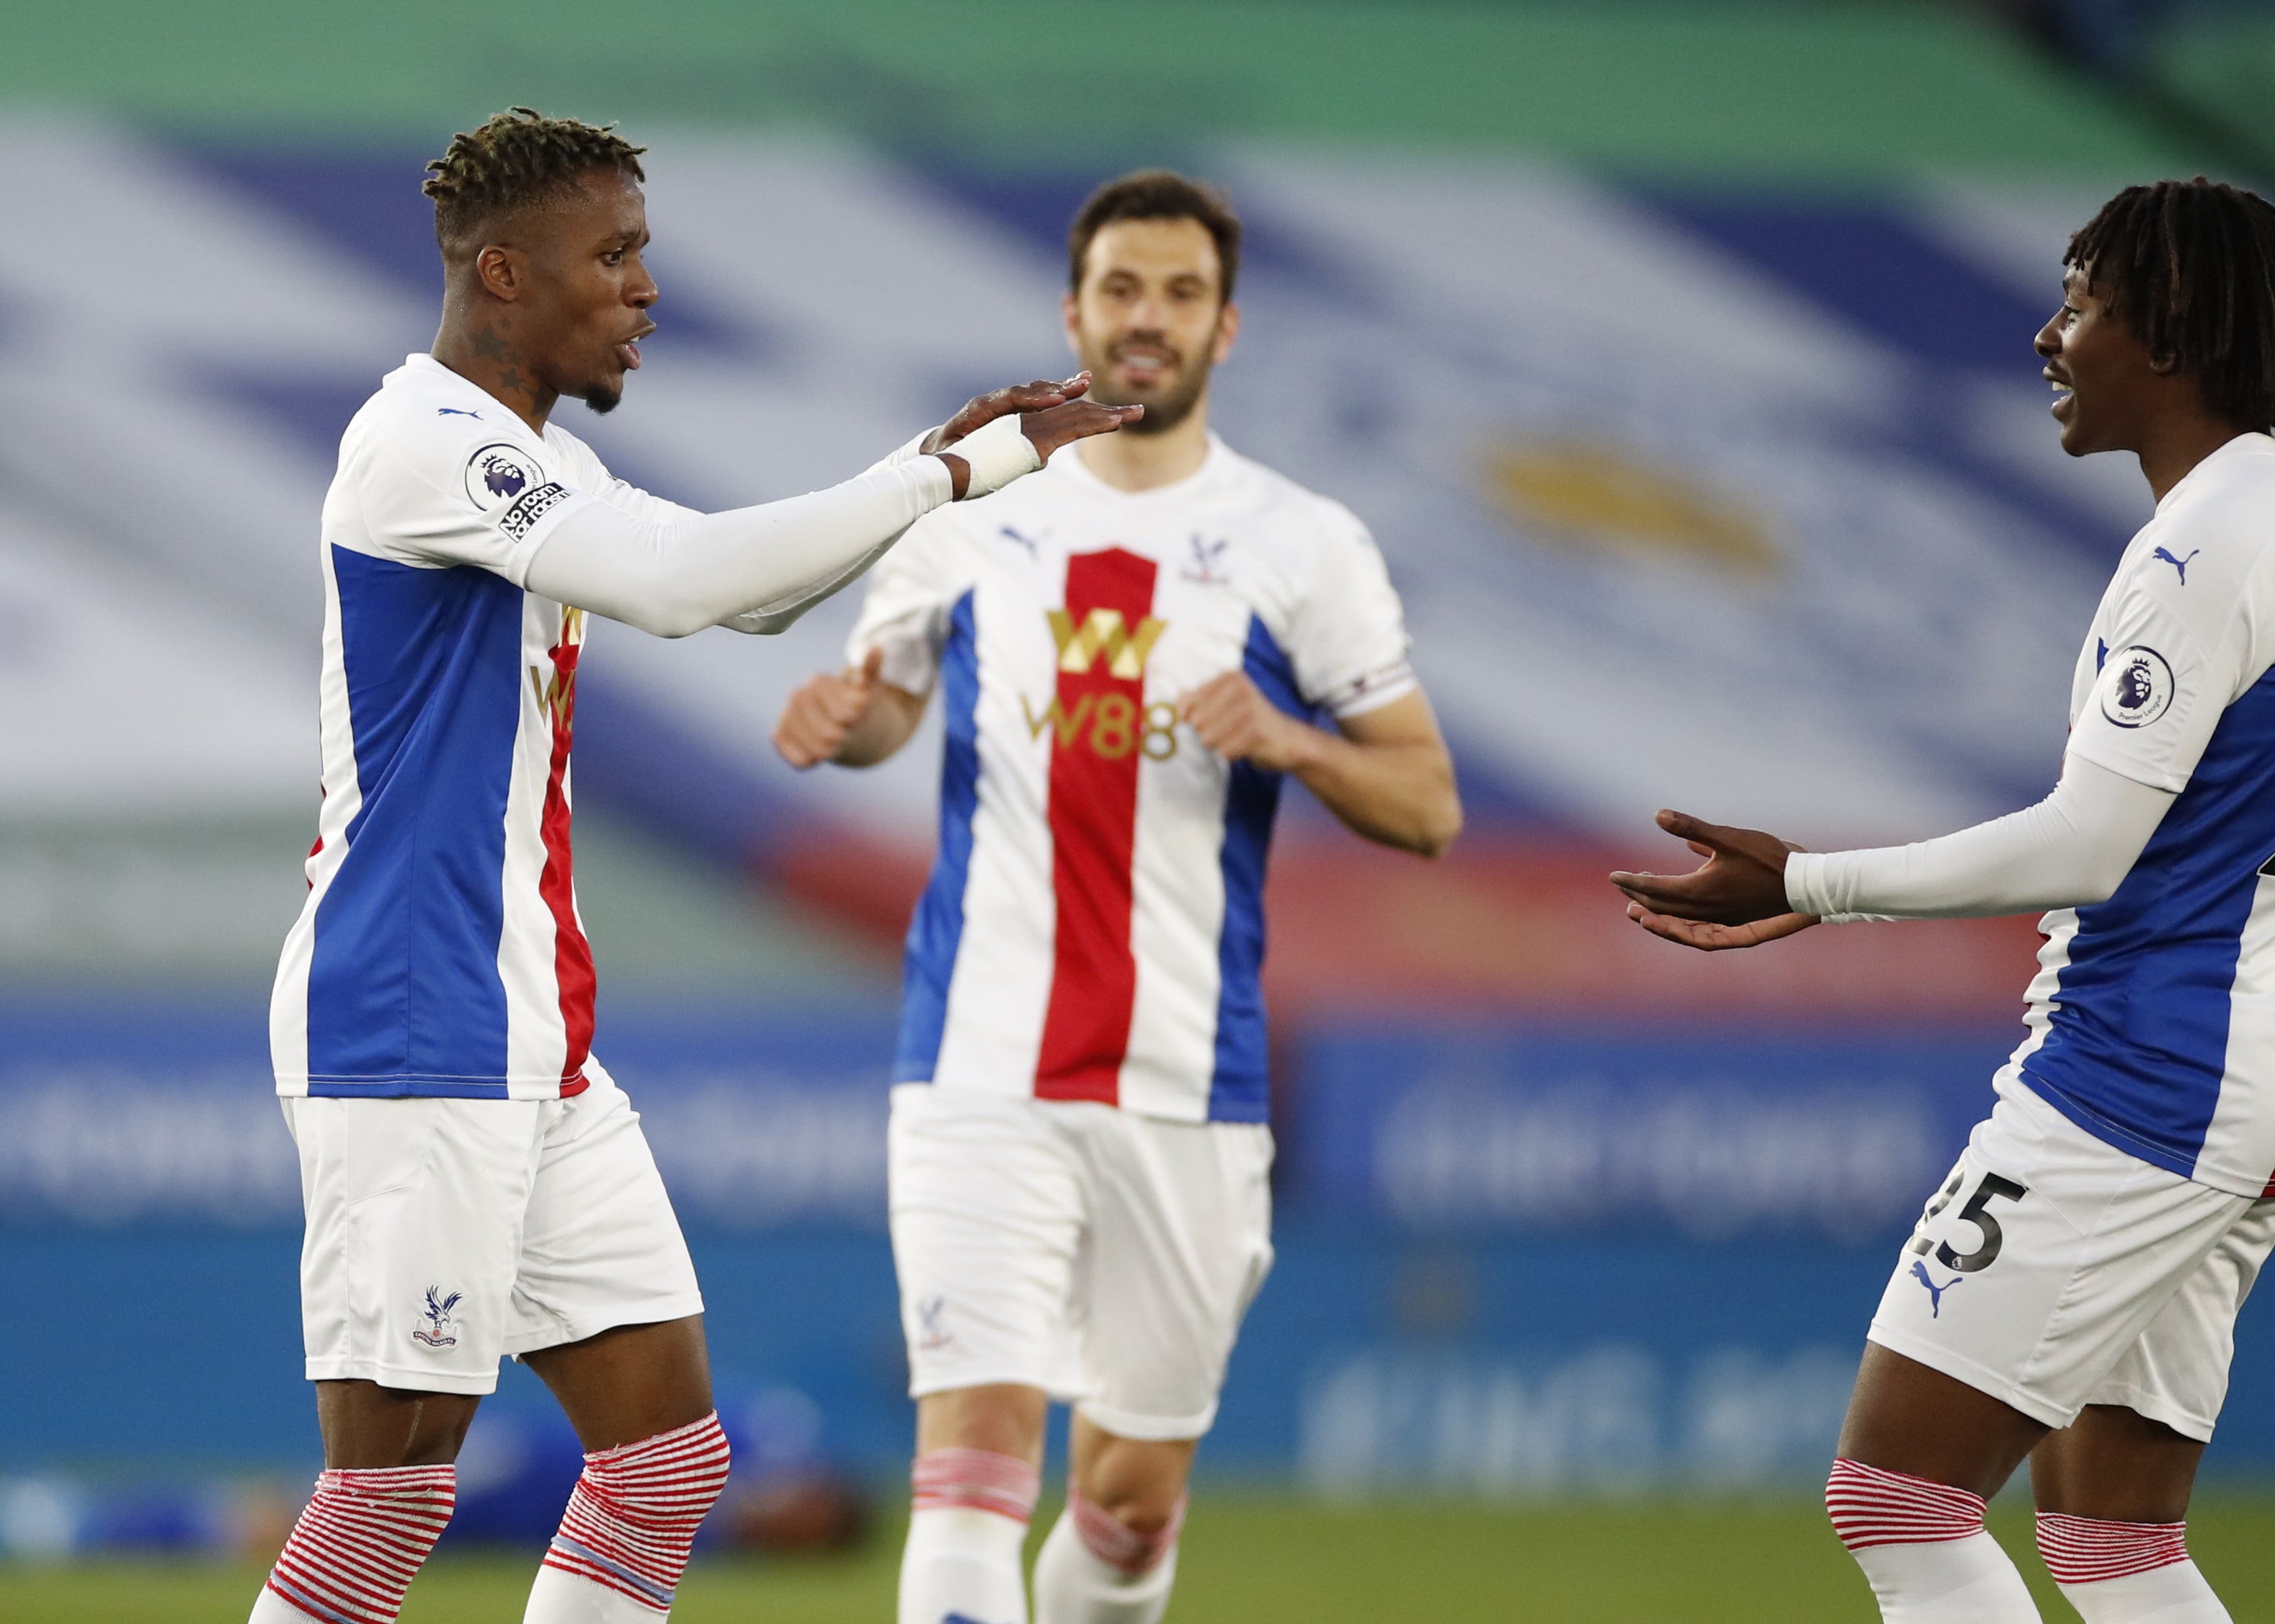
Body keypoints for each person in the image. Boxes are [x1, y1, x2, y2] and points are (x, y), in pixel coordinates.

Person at [258, 108, 1135, 1624]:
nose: (646, 288)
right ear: (504, 273)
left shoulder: (539, 460)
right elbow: (678, 586)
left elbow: (743, 594)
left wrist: (929, 467)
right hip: (413, 1011)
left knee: (664, 1458)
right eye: (615, 255)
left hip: (531, 1024)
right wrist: (930, 484)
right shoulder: (420, 441)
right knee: (390, 1490)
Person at [1612, 178, 2275, 1624]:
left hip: (2146, 1071)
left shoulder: (2204, 548)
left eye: (2080, 302)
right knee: (2115, 1541)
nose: (2047, 333)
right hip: (2252, 1061)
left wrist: (1812, 882)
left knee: (1895, 1496)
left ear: (2171, 330)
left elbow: (2086, 843)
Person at [773, 169, 1462, 1624]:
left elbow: (1428, 804)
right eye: (1122, 290)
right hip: (977, 1054)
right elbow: (892, 702)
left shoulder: (1301, 542)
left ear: (1227, 325)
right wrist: (854, 721)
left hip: (1184, 1081)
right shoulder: (961, 500)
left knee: (1131, 1504)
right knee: (971, 1462)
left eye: (1181, 293)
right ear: (1072, 311)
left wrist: (1291, 739)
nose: (1148, 319)